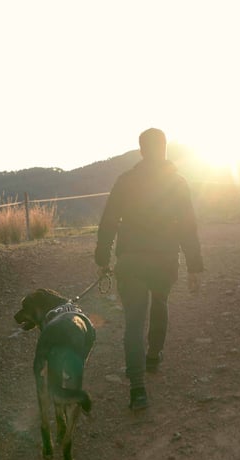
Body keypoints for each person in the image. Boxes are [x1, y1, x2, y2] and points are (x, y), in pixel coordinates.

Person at [95, 127, 204, 411]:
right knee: (160, 303)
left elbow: (108, 221)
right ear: (164, 148)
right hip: (164, 260)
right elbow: (188, 227)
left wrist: (102, 258)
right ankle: (153, 357)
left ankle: (137, 389)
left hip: (130, 261)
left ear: (142, 150)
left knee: (133, 322)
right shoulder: (177, 183)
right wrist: (194, 267)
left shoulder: (125, 181)